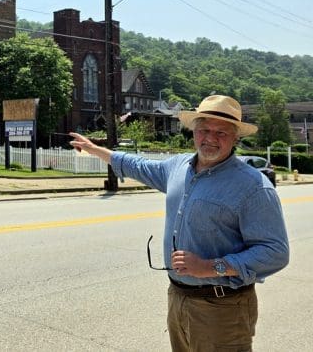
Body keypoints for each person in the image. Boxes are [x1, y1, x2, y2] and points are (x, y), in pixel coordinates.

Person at [69, 95, 289, 352]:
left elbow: (275, 252)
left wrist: (211, 266)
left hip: (223, 308)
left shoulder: (252, 186)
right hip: (178, 298)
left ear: (235, 138)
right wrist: (94, 149)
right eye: (204, 129)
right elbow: (136, 164)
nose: (211, 138)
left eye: (221, 132)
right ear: (194, 131)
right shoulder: (178, 166)